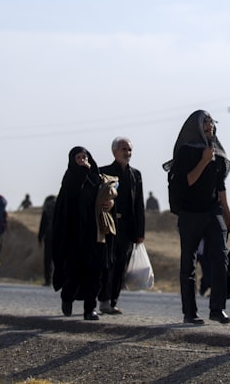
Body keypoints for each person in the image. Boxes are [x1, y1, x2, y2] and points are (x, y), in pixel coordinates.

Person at [166, 110, 230, 325]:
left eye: (211, 124)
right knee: (189, 264)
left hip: (213, 212)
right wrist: (204, 161)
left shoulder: (217, 152)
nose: (209, 127)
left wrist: (228, 216)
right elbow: (187, 180)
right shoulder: (187, 151)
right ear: (196, 127)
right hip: (190, 214)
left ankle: (217, 309)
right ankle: (190, 312)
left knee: (220, 260)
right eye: (205, 124)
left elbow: (221, 186)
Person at [52, 146, 112, 320]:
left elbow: (105, 198)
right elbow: (70, 194)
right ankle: (67, 297)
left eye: (84, 157)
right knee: (74, 272)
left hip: (95, 233)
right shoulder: (70, 177)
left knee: (95, 271)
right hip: (74, 234)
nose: (82, 160)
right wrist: (81, 173)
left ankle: (89, 309)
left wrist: (110, 205)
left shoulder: (96, 178)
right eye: (78, 157)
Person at [98, 136, 146, 316]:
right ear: (114, 152)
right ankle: (103, 299)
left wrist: (140, 232)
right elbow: (99, 197)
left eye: (129, 150)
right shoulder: (104, 172)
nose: (127, 153)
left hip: (127, 227)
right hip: (108, 225)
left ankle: (113, 300)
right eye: (124, 149)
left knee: (120, 264)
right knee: (107, 263)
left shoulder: (135, 175)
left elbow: (139, 205)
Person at [37, 194, 56, 286]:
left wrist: (40, 238)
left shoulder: (47, 208)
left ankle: (47, 280)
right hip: (58, 236)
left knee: (47, 259)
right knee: (57, 259)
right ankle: (58, 280)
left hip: (48, 236)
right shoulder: (60, 206)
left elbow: (42, 224)